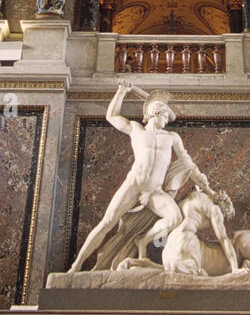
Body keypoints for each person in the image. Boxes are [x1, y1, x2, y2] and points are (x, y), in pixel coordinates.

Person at [68, 84, 210, 273]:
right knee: (107, 222)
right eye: (165, 115)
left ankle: (144, 240)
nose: (168, 120)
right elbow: (111, 116)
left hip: (154, 191)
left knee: (175, 218)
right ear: (154, 113)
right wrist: (121, 92)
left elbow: (187, 162)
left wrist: (204, 184)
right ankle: (76, 266)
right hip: (134, 185)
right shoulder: (136, 129)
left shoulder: (172, 137)